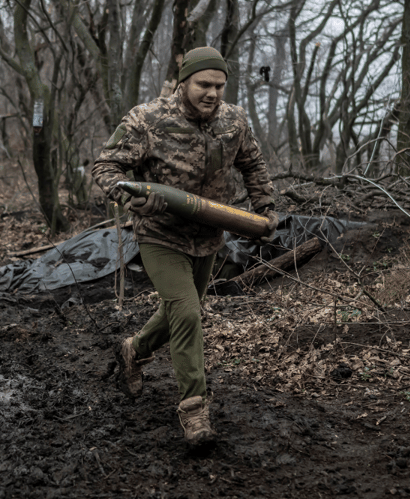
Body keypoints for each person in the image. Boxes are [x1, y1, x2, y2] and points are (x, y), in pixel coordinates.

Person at [92, 46, 276, 448]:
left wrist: (265, 206)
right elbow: (105, 167)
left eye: (219, 85)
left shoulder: (233, 120)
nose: (212, 93)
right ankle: (195, 413)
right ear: (184, 82)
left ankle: (133, 350)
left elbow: (253, 164)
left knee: (179, 309)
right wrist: (130, 198)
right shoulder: (148, 119)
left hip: (209, 235)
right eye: (203, 84)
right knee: (188, 313)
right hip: (161, 235)